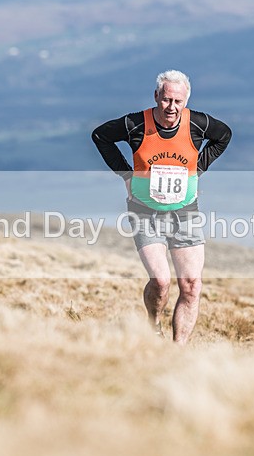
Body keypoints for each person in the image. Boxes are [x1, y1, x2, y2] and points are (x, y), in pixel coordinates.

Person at [91, 70, 232, 344]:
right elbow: (100, 136)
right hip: (145, 211)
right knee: (161, 281)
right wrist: (126, 175)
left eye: (178, 102)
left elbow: (224, 136)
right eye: (166, 100)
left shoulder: (198, 124)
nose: (171, 107)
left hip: (185, 211)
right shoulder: (135, 124)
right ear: (156, 96)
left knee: (191, 285)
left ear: (186, 101)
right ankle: (153, 323)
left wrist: (198, 169)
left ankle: (177, 351)